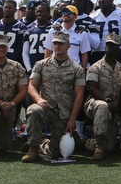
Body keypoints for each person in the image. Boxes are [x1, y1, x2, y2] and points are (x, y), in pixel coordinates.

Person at [22, 31, 86, 163]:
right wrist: (39, 99)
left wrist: (72, 120)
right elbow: (31, 86)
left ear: (68, 45)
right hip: (46, 109)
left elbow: (79, 95)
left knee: (56, 153)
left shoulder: (76, 68)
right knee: (34, 111)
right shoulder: (41, 64)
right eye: (55, 43)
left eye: (61, 43)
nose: (57, 46)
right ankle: (33, 150)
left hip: (63, 113)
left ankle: (43, 143)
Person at [83, 34, 121, 160]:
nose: (109, 47)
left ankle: (82, 142)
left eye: (112, 45)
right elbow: (92, 88)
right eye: (108, 44)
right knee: (102, 106)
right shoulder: (95, 67)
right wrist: (107, 101)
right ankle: (99, 148)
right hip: (94, 105)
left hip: (113, 110)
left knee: (111, 147)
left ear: (118, 48)